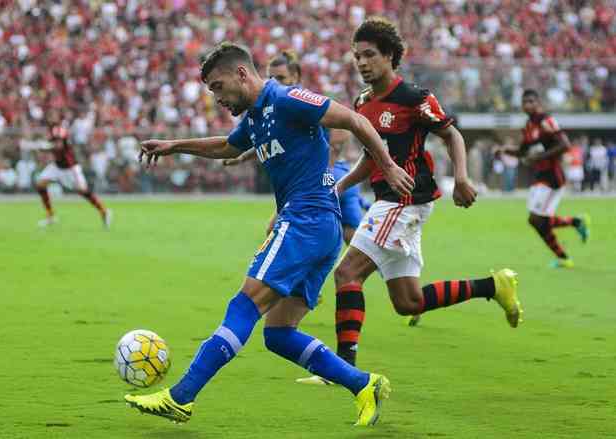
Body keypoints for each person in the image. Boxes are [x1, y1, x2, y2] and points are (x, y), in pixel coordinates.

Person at [125, 41, 415, 426]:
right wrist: (175, 145)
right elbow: (228, 146)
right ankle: (364, 384)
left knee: (244, 306)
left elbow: (355, 121)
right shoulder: (256, 115)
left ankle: (181, 397)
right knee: (278, 333)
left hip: (306, 220)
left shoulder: (289, 98)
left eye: (218, 86)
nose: (217, 97)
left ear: (241, 73)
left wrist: (388, 166)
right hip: (317, 227)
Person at [298, 18, 522, 384]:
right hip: (393, 202)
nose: (362, 63)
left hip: (404, 200)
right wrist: (339, 187)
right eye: (357, 56)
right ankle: (494, 285)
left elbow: (453, 136)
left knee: (346, 273)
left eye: (370, 55)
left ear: (389, 56)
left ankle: (341, 370)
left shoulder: (414, 98)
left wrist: (462, 177)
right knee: (409, 302)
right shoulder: (362, 102)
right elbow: (373, 157)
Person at [223, 50, 369, 243]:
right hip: (315, 179)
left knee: (351, 239)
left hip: (327, 175)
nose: (276, 81)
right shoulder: (276, 104)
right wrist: (243, 156)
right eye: (272, 77)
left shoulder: (301, 100)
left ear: (295, 76)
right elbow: (271, 142)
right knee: (346, 238)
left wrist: (326, 169)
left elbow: (341, 133)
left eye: (281, 77)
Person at [501, 89, 589, 268]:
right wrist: (503, 150)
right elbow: (522, 152)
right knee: (535, 221)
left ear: (538, 103)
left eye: (531, 101)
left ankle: (574, 226)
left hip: (552, 177)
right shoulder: (528, 126)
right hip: (540, 177)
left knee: (536, 219)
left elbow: (565, 145)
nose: (528, 105)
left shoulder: (546, 121)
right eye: (525, 102)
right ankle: (565, 255)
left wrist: (539, 158)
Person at [34, 112, 112, 229]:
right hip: (57, 166)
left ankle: (104, 211)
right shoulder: (51, 130)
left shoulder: (59, 130)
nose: (50, 118)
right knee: (40, 184)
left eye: (53, 116)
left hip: (70, 168)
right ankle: (50, 215)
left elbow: (58, 146)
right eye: (50, 116)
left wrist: (44, 147)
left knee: (83, 191)